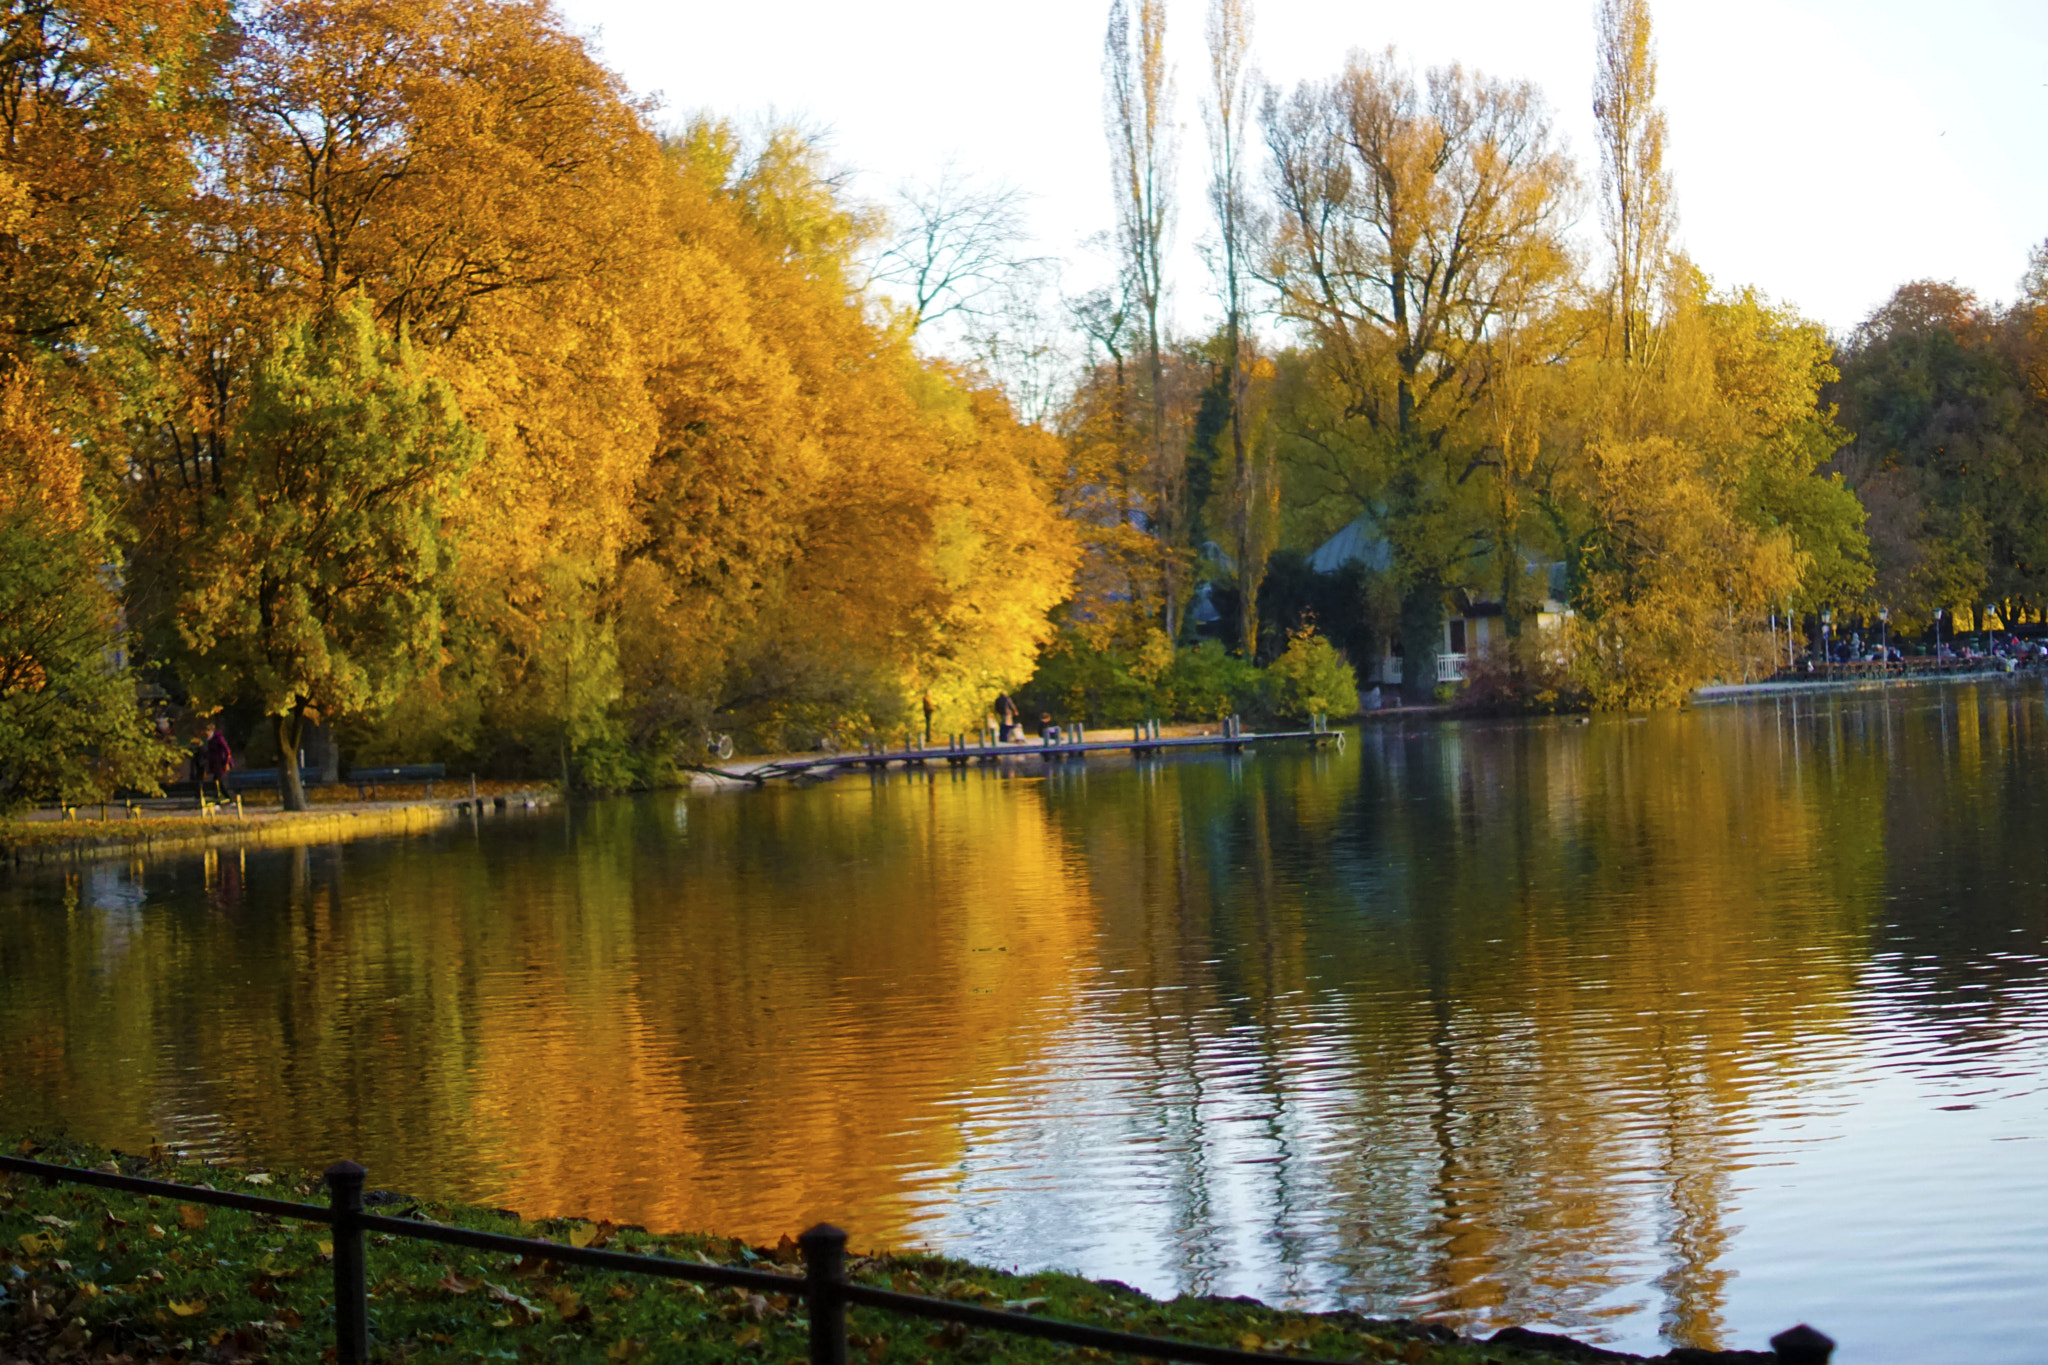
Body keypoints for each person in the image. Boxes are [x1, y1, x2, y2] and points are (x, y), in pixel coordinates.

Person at [200, 721, 233, 803]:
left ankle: (225, 798)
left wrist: (226, 762)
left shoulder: (218, 738)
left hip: (220, 764)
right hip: (214, 764)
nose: (205, 733)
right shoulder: (210, 740)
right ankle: (223, 798)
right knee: (216, 781)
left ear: (210, 731)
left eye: (206, 731)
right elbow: (209, 752)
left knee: (218, 781)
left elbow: (227, 750)